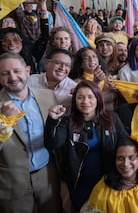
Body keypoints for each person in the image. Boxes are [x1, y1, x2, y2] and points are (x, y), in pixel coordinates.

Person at [45, 80, 128, 210]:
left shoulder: (112, 118)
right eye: (80, 97)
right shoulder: (68, 122)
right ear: (74, 100)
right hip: (79, 182)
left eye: (90, 97)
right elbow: (53, 144)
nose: (85, 101)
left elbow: (125, 142)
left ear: (98, 99)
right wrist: (52, 120)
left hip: (106, 180)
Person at [0, 53, 62, 212]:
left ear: (27, 71)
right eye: (5, 73)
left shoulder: (48, 96)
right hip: (11, 182)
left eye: (16, 71)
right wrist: (4, 124)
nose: (12, 77)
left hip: (47, 176)